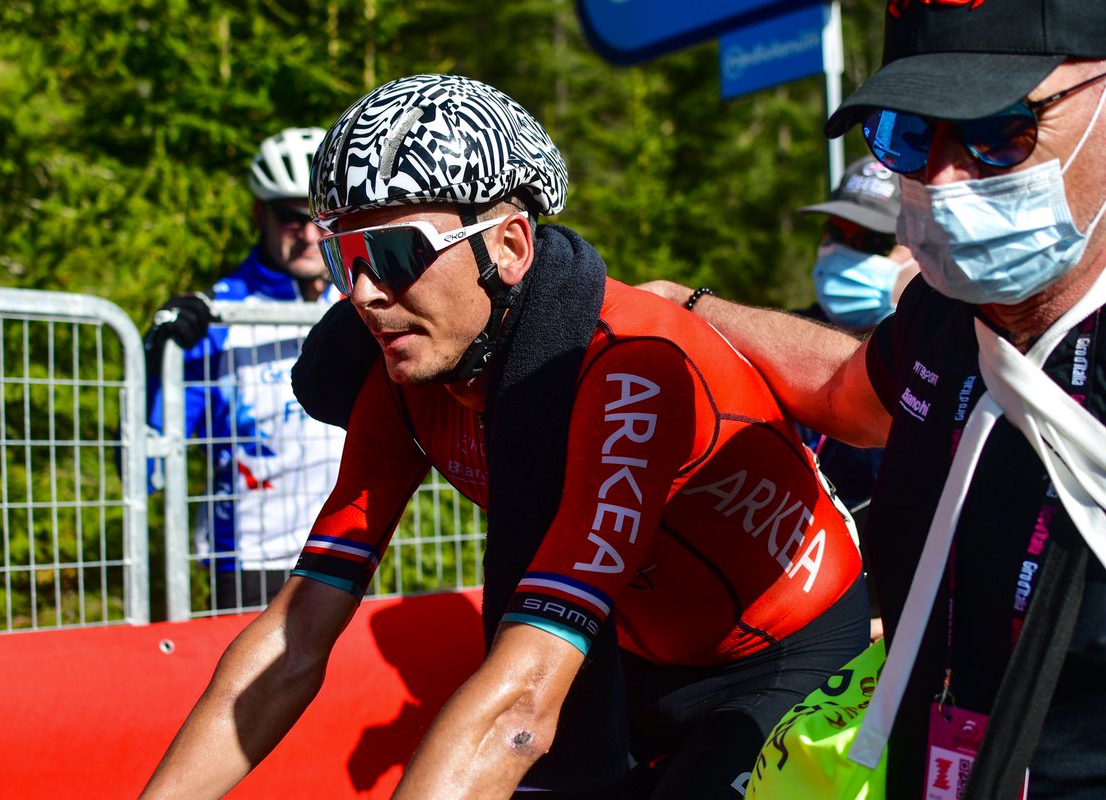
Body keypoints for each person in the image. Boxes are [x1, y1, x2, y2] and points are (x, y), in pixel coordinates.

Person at [141, 74, 869, 799]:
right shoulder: (407, 374)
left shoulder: (631, 371)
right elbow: (295, 638)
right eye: (344, 258)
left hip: (784, 654)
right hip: (639, 653)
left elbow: (520, 707)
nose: (362, 293)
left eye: (394, 254)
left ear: (511, 247)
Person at [649, 2, 1106, 798]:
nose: (942, 176)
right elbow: (846, 391)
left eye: (1000, 130)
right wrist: (685, 306)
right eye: (906, 133)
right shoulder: (943, 312)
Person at [143, 127, 345, 611]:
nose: (310, 235)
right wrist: (157, 360)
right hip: (251, 557)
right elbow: (146, 464)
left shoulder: (361, 301)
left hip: (349, 548)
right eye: (292, 217)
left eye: (324, 217)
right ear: (260, 214)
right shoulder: (219, 315)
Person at [794, 155, 917, 518]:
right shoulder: (777, 337)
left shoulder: (940, 365)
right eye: (835, 233)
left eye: (872, 242)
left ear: (925, 249)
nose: (842, 252)